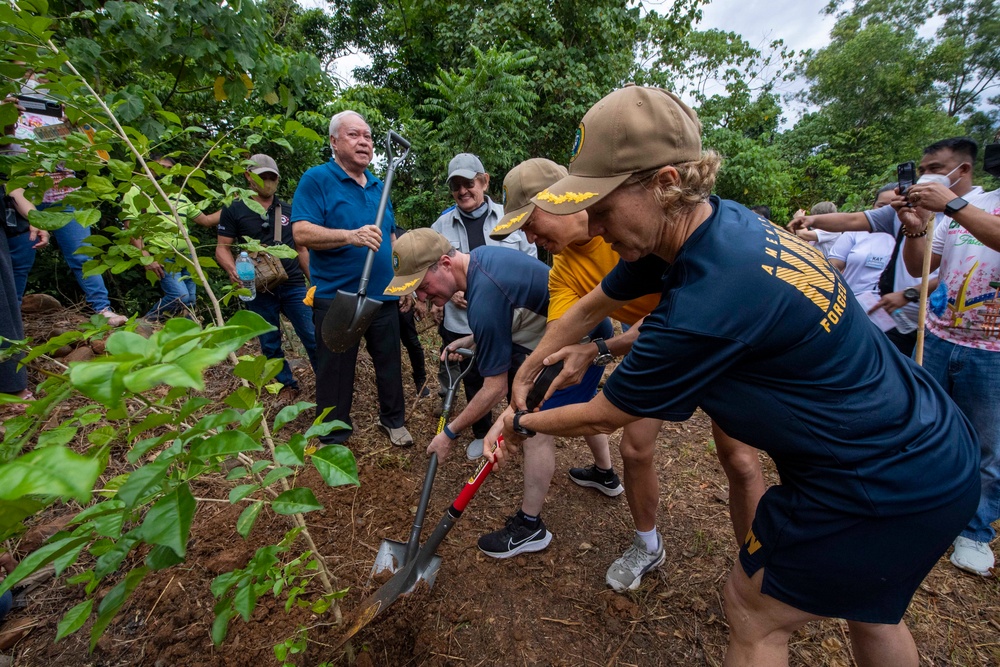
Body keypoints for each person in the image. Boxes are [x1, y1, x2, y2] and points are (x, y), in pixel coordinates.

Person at [488, 85, 979, 665]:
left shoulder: (713, 292)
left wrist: (522, 419)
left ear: (666, 182)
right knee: (871, 606)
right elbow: (593, 304)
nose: (591, 223)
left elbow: (607, 412)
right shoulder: (716, 224)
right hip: (927, 444)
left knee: (752, 612)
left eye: (602, 205)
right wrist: (531, 367)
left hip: (876, 476)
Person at [490, 157, 765, 590]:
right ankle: (647, 543)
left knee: (740, 459)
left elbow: (673, 319)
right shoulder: (562, 267)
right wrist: (521, 391)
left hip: (714, 339)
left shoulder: (638, 225)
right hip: (660, 342)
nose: (528, 236)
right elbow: (566, 331)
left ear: (563, 199)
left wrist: (598, 349)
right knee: (635, 449)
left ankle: (756, 571)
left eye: (530, 221)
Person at [384, 228, 616, 559]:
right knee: (578, 400)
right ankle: (605, 474)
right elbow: (506, 313)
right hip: (588, 330)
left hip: (580, 343)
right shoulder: (482, 262)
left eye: (423, 286)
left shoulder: (484, 295)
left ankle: (529, 527)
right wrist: (472, 339)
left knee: (531, 426)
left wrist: (450, 433)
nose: (422, 297)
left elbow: (495, 389)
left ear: (445, 263)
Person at [891, 137, 1000, 578]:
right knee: (926, 423)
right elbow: (922, 270)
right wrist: (916, 225)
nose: (925, 176)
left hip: (993, 350)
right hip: (938, 335)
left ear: (964, 169)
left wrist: (952, 205)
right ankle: (918, 504)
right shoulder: (963, 211)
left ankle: (975, 531)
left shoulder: (965, 208)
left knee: (987, 446)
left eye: (935, 167)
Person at [291, 111, 412, 447]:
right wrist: (350, 235)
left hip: (383, 295)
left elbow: (390, 237)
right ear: (334, 142)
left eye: (369, 136)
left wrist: (402, 281)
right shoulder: (317, 179)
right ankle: (333, 433)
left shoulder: (378, 184)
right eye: (354, 135)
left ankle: (393, 420)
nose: (364, 142)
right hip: (337, 295)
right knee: (336, 369)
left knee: (389, 363)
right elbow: (301, 231)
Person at [431, 153, 536, 449]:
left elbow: (528, 264)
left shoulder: (509, 217)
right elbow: (434, 270)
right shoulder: (441, 226)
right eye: (456, 186)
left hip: (510, 320)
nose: (463, 191)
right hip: (460, 320)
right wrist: (452, 293)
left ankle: (517, 429)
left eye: (469, 183)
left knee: (514, 375)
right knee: (474, 378)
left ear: (484, 181)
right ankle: (481, 433)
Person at [5, 83, 126, 325]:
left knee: (84, 256)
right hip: (24, 197)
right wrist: (8, 117)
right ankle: (12, 317)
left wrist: (76, 123)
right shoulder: (9, 110)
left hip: (67, 196)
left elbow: (101, 158)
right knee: (20, 260)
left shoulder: (63, 116)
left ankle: (102, 309)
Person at [789, 184, 938, 357]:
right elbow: (834, 263)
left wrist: (908, 294)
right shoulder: (856, 234)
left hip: (903, 323)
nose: (892, 209)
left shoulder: (920, 233)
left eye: (897, 203)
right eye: (882, 206)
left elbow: (942, 276)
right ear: (874, 207)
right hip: (852, 312)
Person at [217, 154, 317, 402]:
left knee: (312, 336)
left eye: (272, 178)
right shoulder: (234, 209)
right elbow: (222, 247)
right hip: (258, 287)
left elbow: (302, 249)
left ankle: (327, 379)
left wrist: (315, 281)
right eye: (263, 177)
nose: (268, 182)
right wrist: (233, 270)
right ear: (249, 177)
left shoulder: (289, 211)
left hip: (293, 284)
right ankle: (286, 386)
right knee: (270, 342)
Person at [122, 156, 216, 322]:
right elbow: (130, 228)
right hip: (163, 253)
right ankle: (144, 324)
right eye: (160, 167)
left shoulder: (180, 196)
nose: (164, 172)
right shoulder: (137, 192)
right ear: (148, 168)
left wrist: (234, 206)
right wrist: (145, 256)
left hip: (186, 255)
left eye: (168, 169)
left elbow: (206, 220)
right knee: (179, 297)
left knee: (190, 302)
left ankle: (187, 339)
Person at [392, 225, 429, 398]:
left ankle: (420, 380)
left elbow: (416, 267)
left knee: (412, 342)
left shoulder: (402, 235)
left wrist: (419, 300)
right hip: (379, 300)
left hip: (402, 300)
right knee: (386, 346)